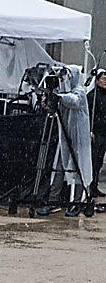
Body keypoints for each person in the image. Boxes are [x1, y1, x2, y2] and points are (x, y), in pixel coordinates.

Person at [38, 65, 93, 217]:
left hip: (79, 140)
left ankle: (76, 202)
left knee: (79, 169)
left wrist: (59, 97)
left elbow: (74, 101)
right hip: (65, 137)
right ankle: (53, 201)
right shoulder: (63, 93)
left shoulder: (79, 91)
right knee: (59, 168)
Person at [87, 68, 106, 198]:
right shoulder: (92, 96)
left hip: (104, 131)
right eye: (103, 79)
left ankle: (95, 185)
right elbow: (89, 115)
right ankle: (91, 185)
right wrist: (90, 130)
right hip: (97, 132)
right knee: (95, 160)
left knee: (99, 160)